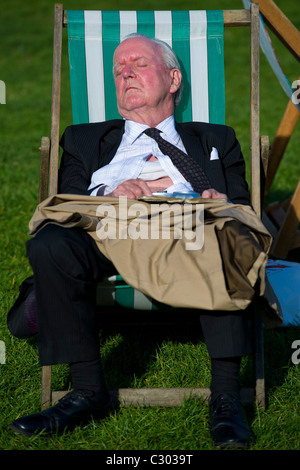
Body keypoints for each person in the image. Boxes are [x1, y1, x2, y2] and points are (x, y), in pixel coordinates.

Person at [8, 34, 255, 447]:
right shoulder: (84, 138)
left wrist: (217, 198)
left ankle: (227, 397)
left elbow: (246, 208)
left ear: (173, 79)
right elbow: (68, 201)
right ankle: (87, 392)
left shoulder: (217, 138)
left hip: (188, 229)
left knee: (226, 233)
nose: (124, 72)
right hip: (110, 230)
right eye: (118, 69)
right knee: (52, 241)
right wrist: (111, 193)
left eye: (139, 64)